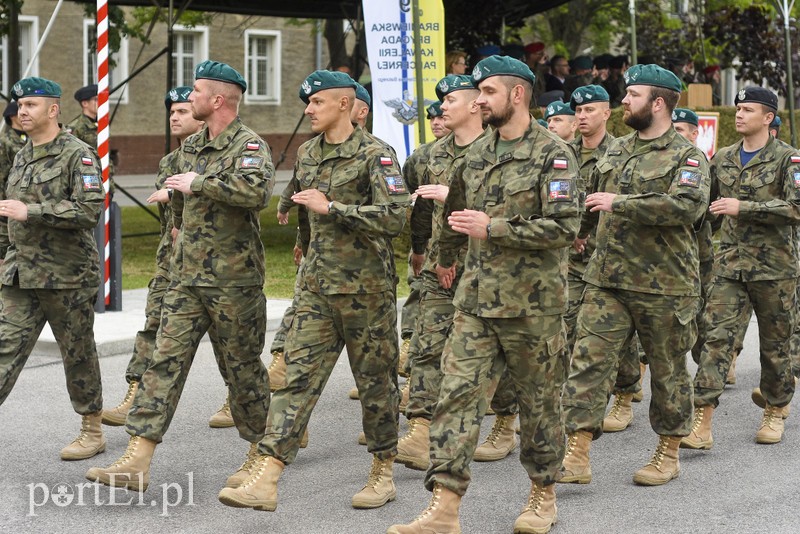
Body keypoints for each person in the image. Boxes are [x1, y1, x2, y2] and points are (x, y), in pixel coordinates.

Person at [388, 55, 580, 534]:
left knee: (539, 404)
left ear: (517, 94)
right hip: (475, 303)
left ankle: (542, 495)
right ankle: (445, 507)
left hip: (531, 307)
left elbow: (564, 227)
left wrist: (493, 228)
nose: (479, 101)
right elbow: (454, 214)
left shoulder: (553, 154)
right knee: (455, 399)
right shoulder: (475, 154)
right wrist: (447, 259)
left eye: (488, 92)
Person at [217, 69, 409, 512]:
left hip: (367, 291)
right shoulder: (307, 153)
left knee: (376, 385)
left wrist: (335, 208)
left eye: (316, 102)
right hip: (318, 290)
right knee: (295, 382)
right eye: (308, 103)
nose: (308, 109)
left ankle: (383, 471)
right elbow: (305, 206)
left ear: (344, 104)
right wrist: (304, 239)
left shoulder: (376, 155)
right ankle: (267, 477)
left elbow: (395, 218)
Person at [86, 60, 274, 492]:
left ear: (218, 99)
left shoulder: (248, 145)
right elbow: (180, 206)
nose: (188, 99)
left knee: (243, 372)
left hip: (234, 281)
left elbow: (257, 194)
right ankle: (138, 457)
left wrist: (200, 183)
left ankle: (262, 455)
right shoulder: (188, 149)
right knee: (162, 364)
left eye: (195, 92)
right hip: (186, 279)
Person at [559, 64, 710, 487]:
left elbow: (687, 208)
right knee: (587, 362)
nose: (624, 100)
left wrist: (621, 203)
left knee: (667, 371)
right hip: (606, 279)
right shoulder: (615, 149)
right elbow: (590, 200)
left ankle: (668, 450)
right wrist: (577, 234)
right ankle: (577, 452)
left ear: (658, 103)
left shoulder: (687, 156)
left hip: (664, 285)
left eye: (633, 94)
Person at [100, 87, 234, 429]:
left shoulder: (224, 154)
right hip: (170, 261)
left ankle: (240, 397)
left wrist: (175, 191)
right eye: (172, 112)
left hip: (213, 266)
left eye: (183, 112)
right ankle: (136, 394)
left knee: (228, 338)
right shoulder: (169, 162)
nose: (174, 117)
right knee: (153, 327)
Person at [396, 74, 504, 471]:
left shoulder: (499, 152)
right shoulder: (429, 156)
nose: (442, 107)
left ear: (476, 104)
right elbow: (418, 208)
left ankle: (504, 422)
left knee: (494, 358)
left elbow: (515, 210)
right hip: (441, 269)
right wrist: (421, 251)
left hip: (491, 271)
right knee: (427, 346)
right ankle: (422, 431)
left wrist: (453, 196)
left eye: (451, 100)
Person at [682, 87, 799, 449]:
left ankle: (775, 410)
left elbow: (797, 208)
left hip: (775, 270)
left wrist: (745, 208)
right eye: (738, 108)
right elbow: (710, 211)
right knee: (715, 341)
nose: (739, 114)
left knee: (775, 346)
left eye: (748, 109)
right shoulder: (724, 158)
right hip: (729, 268)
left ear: (768, 118)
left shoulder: (789, 160)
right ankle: (702, 421)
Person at [0, 77, 105, 460]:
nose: (22, 111)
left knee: (77, 353)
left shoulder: (80, 154)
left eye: (30, 105)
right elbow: (7, 211)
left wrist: (35, 212)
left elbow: (89, 210)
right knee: (4, 348)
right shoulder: (21, 155)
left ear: (53, 110)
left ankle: (92, 429)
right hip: (19, 274)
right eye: (20, 105)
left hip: (67, 276)